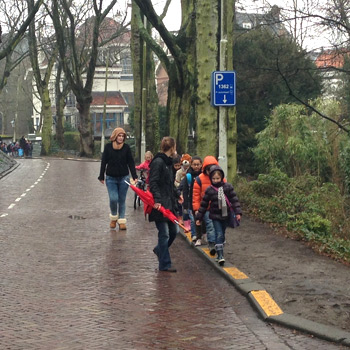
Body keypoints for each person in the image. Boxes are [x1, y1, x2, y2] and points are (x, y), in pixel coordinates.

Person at [196, 165, 242, 266]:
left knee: (222, 234)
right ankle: (221, 255)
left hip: (226, 215)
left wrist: (238, 212)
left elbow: (234, 200)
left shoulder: (228, 187)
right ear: (211, 178)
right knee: (219, 233)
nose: (216, 180)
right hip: (215, 215)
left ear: (221, 178)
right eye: (213, 178)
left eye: (217, 178)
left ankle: (218, 252)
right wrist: (199, 217)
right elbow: (204, 204)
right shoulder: (209, 190)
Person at [149, 136, 182, 273]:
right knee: (165, 233)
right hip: (161, 205)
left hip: (169, 203)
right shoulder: (158, 162)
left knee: (174, 231)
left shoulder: (168, 163)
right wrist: (157, 200)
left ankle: (159, 249)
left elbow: (169, 183)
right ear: (173, 148)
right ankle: (165, 264)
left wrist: (176, 194)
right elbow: (153, 182)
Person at [98, 127, 137, 230]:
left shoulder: (126, 148)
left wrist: (134, 176)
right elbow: (104, 162)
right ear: (115, 136)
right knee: (113, 198)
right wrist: (101, 175)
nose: (121, 138)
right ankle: (114, 217)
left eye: (122, 136)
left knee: (122, 200)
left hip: (124, 177)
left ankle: (122, 220)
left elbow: (131, 162)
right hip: (111, 178)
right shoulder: (108, 147)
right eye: (119, 136)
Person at [192, 155, 221, 255]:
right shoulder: (199, 179)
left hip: (218, 207)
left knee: (218, 226)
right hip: (206, 208)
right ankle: (212, 243)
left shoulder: (220, 177)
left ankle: (218, 242)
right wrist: (196, 209)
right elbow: (195, 195)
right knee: (210, 225)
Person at [181, 156, 203, 243]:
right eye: (194, 164)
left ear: (201, 165)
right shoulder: (189, 176)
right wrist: (185, 203)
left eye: (198, 164)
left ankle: (200, 234)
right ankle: (194, 234)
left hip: (201, 201)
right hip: (191, 201)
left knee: (201, 219)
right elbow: (185, 190)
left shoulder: (204, 175)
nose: (196, 166)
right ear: (191, 165)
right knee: (193, 219)